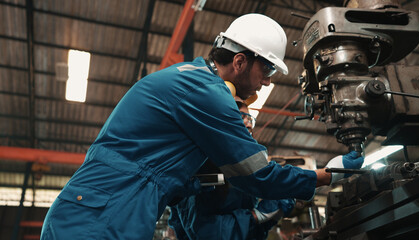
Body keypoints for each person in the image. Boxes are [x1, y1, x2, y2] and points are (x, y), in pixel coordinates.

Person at [41, 13, 363, 240]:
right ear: (239, 62)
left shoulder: (192, 81)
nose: (266, 82)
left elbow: (197, 179)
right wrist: (323, 177)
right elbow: (256, 175)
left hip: (106, 209)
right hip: (102, 216)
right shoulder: (205, 92)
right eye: (265, 70)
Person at [168, 97, 296, 240]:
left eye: (249, 119)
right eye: (241, 117)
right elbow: (205, 232)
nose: (248, 124)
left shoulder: (244, 167)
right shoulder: (199, 166)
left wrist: (268, 217)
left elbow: (249, 231)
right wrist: (255, 216)